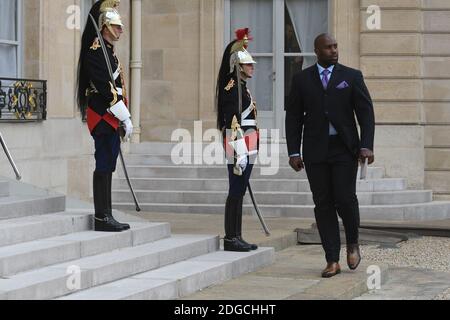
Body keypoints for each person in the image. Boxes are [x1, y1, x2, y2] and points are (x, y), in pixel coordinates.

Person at [285, 33, 375, 278]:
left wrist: (367, 145)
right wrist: (293, 151)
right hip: (315, 151)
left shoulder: (351, 76)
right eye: (328, 47)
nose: (334, 50)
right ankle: (332, 259)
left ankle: (353, 242)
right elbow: (293, 117)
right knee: (323, 204)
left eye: (336, 46)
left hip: (345, 149)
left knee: (345, 198)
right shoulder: (302, 79)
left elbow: (366, 114)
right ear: (317, 50)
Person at [76, 0, 133, 232]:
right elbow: (105, 87)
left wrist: (123, 115)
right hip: (102, 113)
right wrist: (125, 116)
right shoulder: (95, 50)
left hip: (112, 114)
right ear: (105, 27)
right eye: (116, 26)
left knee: (108, 163)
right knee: (104, 162)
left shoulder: (108, 51)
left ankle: (106, 213)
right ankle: (102, 216)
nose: (120, 30)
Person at [216, 28, 259, 252]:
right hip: (239, 141)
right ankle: (231, 237)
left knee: (240, 190)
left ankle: (237, 235)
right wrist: (239, 150)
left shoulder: (243, 87)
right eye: (248, 64)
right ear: (237, 65)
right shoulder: (232, 88)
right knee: (236, 190)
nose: (252, 67)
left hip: (248, 141)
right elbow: (233, 121)